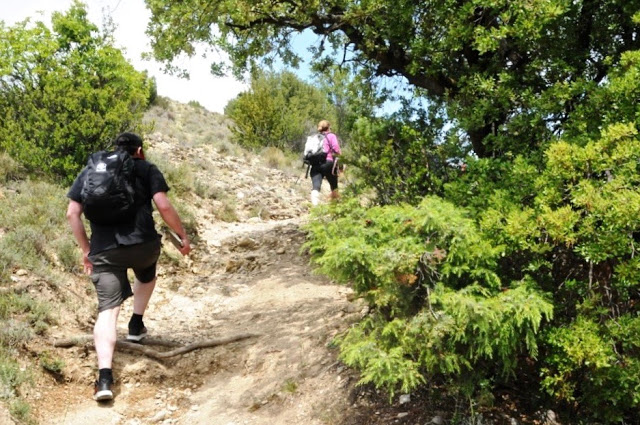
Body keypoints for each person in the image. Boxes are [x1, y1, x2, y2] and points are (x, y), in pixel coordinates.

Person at [66, 132, 191, 402]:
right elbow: (163, 205)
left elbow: (72, 213)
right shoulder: (147, 168)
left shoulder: (91, 171)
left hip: (105, 252)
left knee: (108, 312)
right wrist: (182, 235)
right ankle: (136, 325)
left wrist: (87, 251)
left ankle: (104, 380)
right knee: (146, 273)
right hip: (143, 245)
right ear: (140, 150)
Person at [310, 120, 341, 205]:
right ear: (328, 127)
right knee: (334, 185)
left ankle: (315, 208)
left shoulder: (314, 137)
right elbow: (336, 149)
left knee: (316, 187)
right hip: (328, 163)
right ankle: (335, 207)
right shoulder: (331, 136)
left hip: (315, 164)